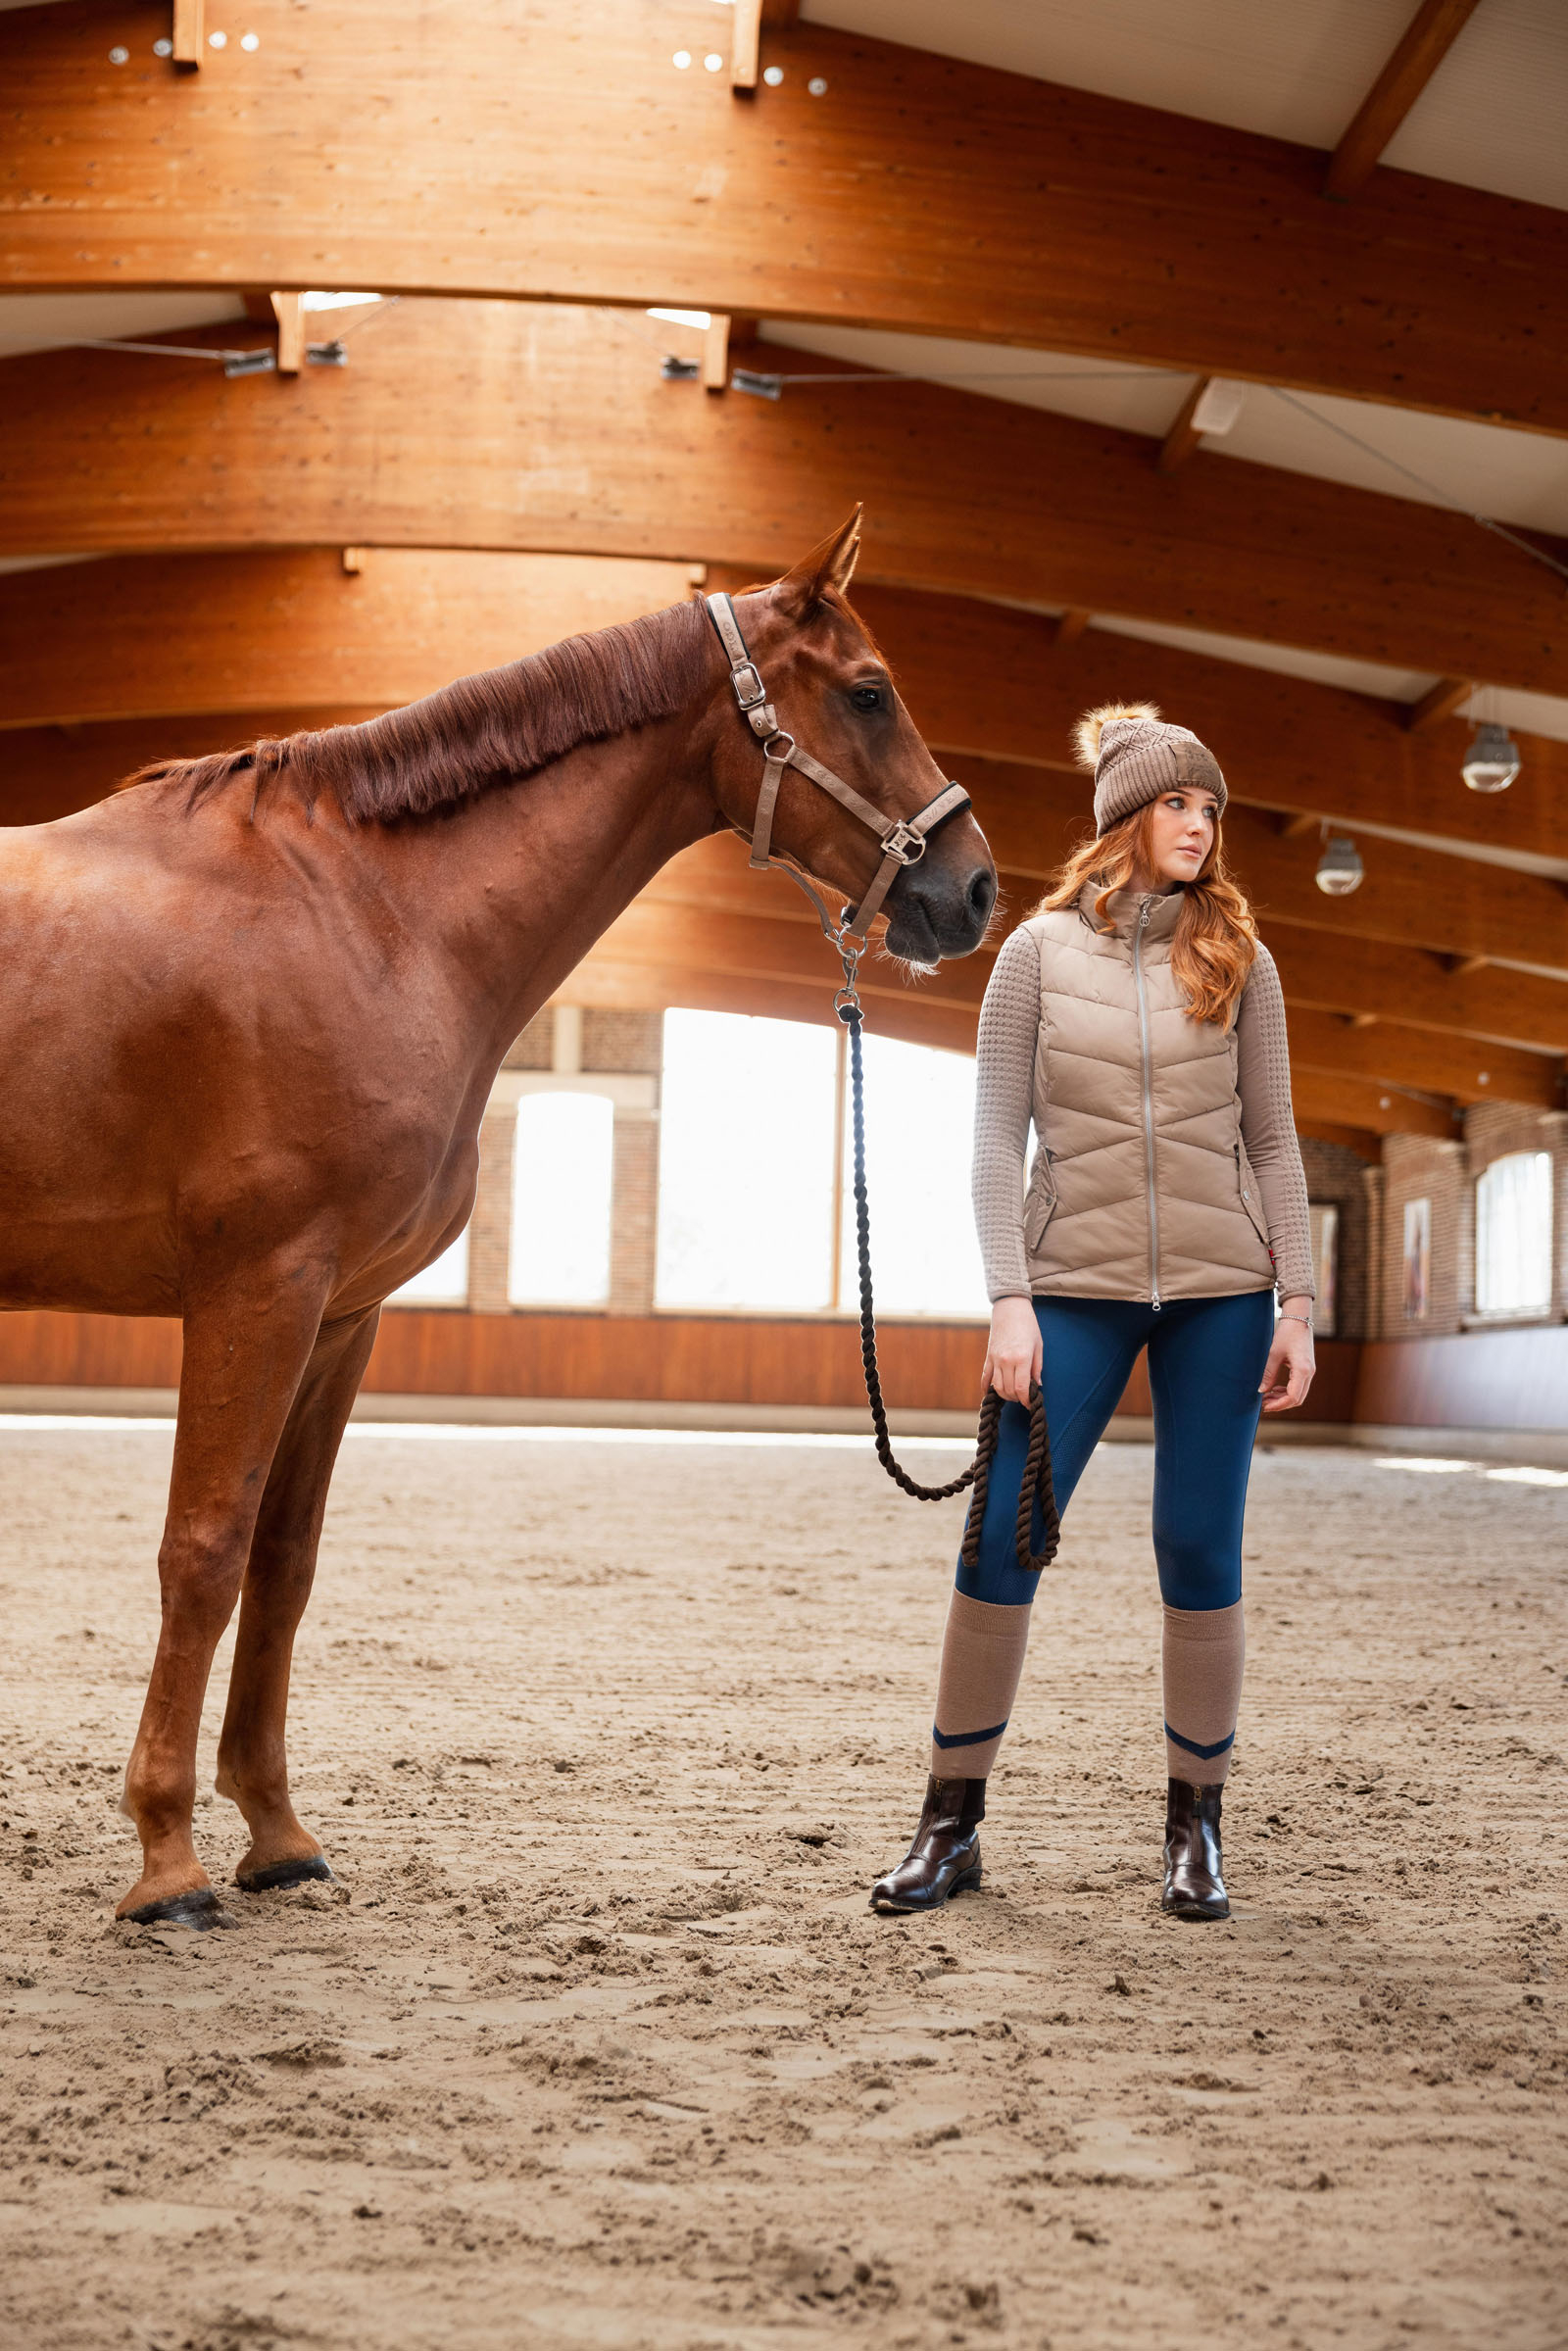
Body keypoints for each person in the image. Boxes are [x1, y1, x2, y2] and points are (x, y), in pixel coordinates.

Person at [870, 704, 1316, 1923]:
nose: (1200, 824)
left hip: (1221, 1296)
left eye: (1210, 807)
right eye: (1179, 802)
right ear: (1124, 816)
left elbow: (1274, 1143)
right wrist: (1007, 1299)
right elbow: (990, 1138)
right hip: (1070, 1286)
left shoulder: (1243, 960)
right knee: (1000, 1540)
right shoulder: (1033, 954)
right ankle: (950, 1825)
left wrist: (1300, 1299)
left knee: (1196, 1549)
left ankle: (1196, 1832)